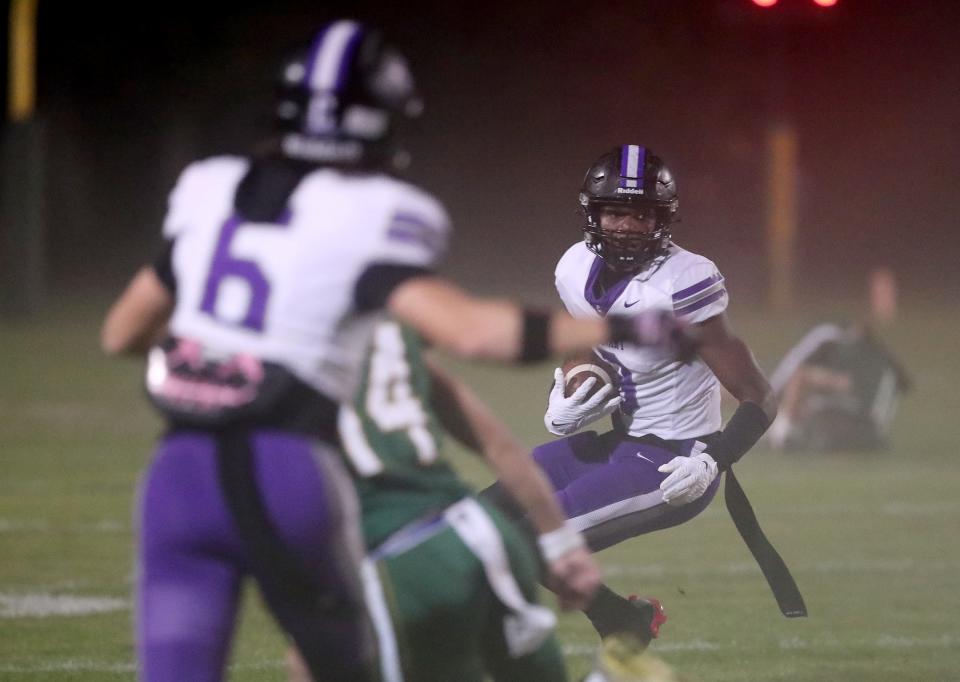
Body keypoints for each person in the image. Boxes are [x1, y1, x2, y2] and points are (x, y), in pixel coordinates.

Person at [101, 24, 693, 682]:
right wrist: (621, 331)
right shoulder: (375, 211)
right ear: (381, 125)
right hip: (288, 468)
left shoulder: (210, 187)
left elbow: (122, 334)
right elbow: (472, 333)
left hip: (180, 476)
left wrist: (226, 359)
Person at [482, 144, 778, 644]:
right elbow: (590, 349)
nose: (623, 226)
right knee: (481, 525)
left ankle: (520, 653)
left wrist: (715, 459)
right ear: (592, 213)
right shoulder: (575, 268)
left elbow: (760, 395)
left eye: (638, 215)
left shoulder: (685, 283)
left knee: (528, 543)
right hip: (617, 443)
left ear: (661, 219)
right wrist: (574, 388)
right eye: (614, 212)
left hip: (673, 464)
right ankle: (623, 623)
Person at [288, 318, 601, 681]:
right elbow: (498, 445)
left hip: (399, 552)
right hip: (482, 532)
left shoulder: (281, 346)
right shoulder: (394, 336)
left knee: (310, 663)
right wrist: (560, 540)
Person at [766, 321, 911, 452]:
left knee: (804, 381)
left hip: (863, 426)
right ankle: (787, 433)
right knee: (809, 391)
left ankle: (786, 435)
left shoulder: (852, 355)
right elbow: (904, 384)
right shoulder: (879, 360)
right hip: (867, 425)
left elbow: (849, 386)